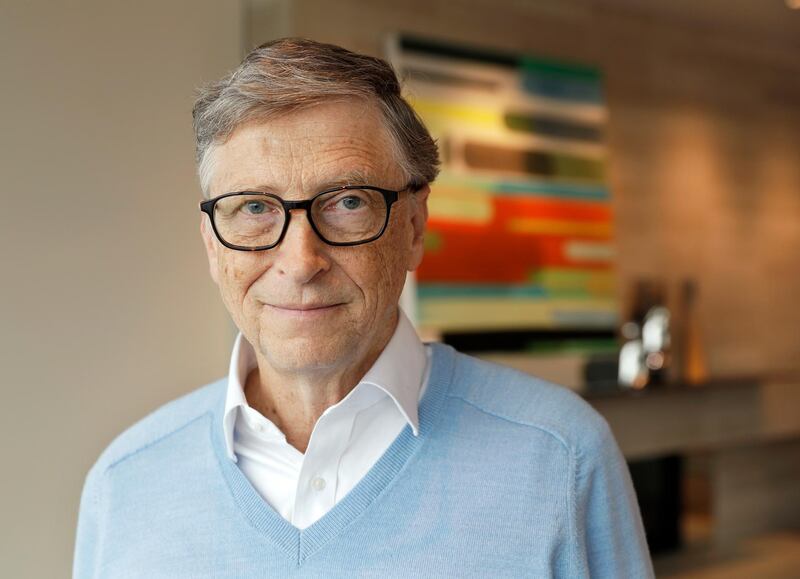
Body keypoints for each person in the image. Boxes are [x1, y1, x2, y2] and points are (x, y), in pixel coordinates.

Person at [73, 38, 654, 578]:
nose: (300, 262)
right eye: (253, 207)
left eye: (347, 201)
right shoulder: (123, 484)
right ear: (210, 241)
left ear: (414, 225)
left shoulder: (561, 458)